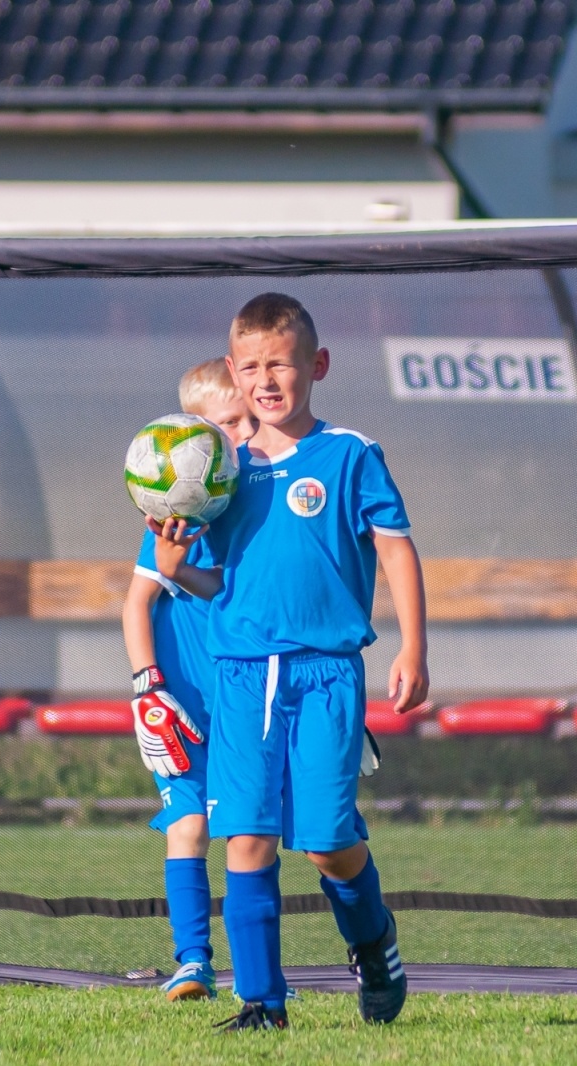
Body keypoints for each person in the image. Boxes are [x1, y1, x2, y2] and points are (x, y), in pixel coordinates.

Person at [152, 293, 429, 1032]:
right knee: (246, 835)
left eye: (280, 364)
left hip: (326, 675)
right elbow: (221, 582)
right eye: (250, 368)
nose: (265, 381)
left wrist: (413, 645)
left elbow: (396, 547)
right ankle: (261, 1004)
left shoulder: (350, 454)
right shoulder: (221, 473)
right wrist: (178, 569)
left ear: (318, 365)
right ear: (233, 372)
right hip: (242, 675)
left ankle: (373, 944)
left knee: (330, 844)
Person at [122, 358, 257, 1002]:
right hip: (179, 705)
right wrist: (148, 686)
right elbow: (136, 604)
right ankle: (192, 961)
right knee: (188, 826)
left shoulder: (255, 506)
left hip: (242, 697)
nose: (243, 433)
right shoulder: (168, 522)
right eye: (229, 423)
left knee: (248, 833)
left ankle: (256, 972)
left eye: (249, 420)